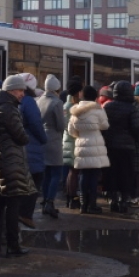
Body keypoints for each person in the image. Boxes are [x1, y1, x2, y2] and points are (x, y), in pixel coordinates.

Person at [0, 75, 36, 256]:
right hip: (11, 159)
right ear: (10, 91)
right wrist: (27, 136)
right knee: (14, 202)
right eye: (19, 90)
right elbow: (21, 136)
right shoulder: (9, 109)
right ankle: (13, 245)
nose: (22, 94)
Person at [102, 81, 139, 213]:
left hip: (110, 146)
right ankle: (124, 200)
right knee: (126, 174)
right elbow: (136, 127)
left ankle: (113, 198)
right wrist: (134, 140)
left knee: (112, 173)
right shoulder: (132, 108)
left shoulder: (108, 107)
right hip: (127, 147)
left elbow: (104, 126)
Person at [68, 85, 109, 214]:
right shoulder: (98, 110)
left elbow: (71, 130)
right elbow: (105, 126)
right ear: (95, 97)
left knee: (83, 175)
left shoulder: (75, 111)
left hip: (81, 145)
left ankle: (82, 204)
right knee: (94, 176)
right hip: (96, 144)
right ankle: (92, 204)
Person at [18, 73, 47, 228]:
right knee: (35, 181)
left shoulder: (14, 101)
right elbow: (36, 124)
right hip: (31, 148)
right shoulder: (29, 101)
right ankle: (25, 214)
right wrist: (43, 139)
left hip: (19, 149)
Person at [37, 74, 66, 218]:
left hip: (42, 139)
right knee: (56, 173)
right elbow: (61, 125)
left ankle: (44, 200)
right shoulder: (57, 102)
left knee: (47, 172)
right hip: (54, 139)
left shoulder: (39, 100)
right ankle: (50, 202)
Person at [62, 80, 84, 209]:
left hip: (67, 141)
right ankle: (72, 197)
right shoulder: (73, 107)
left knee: (72, 171)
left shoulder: (66, 105)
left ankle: (70, 197)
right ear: (77, 92)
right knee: (74, 172)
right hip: (74, 141)